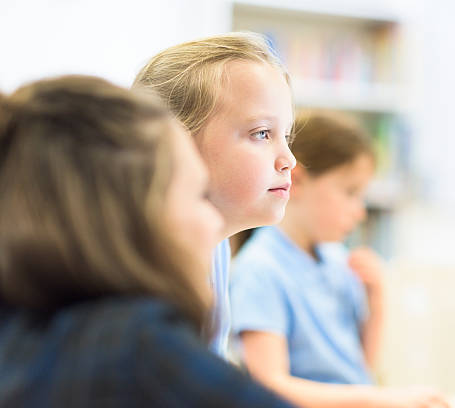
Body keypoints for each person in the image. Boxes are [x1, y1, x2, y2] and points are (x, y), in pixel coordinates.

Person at [0, 75, 293, 407]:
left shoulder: (21, 327)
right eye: (199, 196)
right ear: (135, 216)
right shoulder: (136, 345)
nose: (213, 221)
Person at [230, 111, 449, 408]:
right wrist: (380, 401)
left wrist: (377, 301)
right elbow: (269, 386)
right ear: (297, 181)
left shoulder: (337, 260)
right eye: (350, 193)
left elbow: (359, 370)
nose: (360, 212)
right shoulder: (260, 270)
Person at [133, 32, 296, 357]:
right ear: (176, 145)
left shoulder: (216, 246)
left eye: (286, 135)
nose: (289, 160)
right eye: (262, 133)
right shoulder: (144, 270)